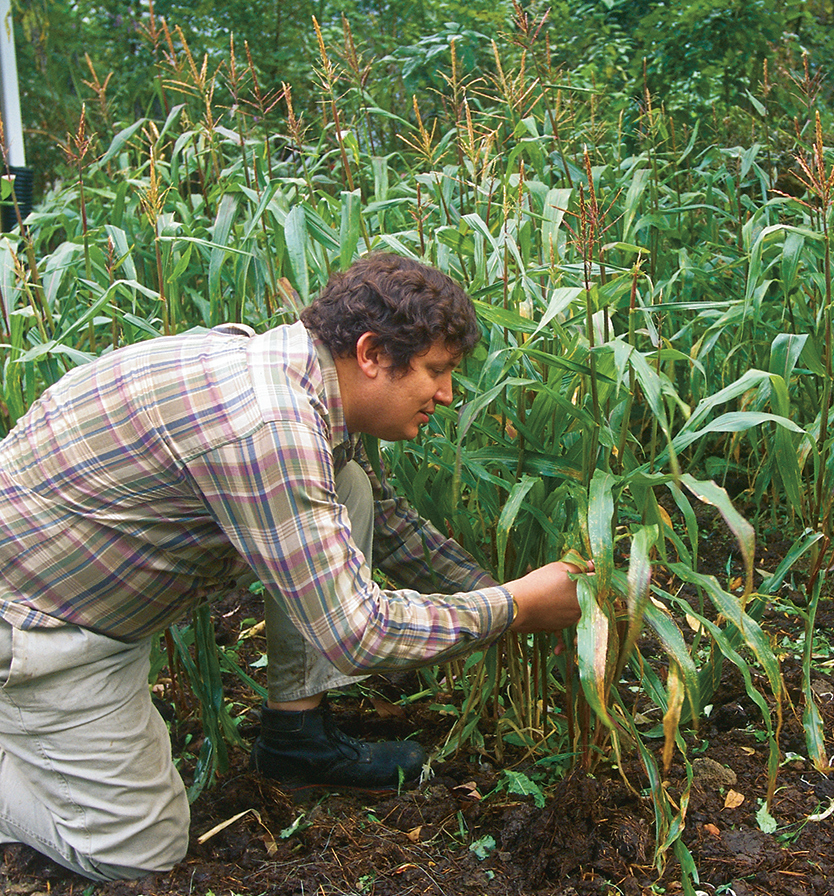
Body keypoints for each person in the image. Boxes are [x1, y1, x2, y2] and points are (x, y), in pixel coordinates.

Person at [0, 252, 584, 882]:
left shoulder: (304, 379)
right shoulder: (269, 423)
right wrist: (519, 606)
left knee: (349, 484)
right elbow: (358, 632)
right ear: (370, 354)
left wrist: (502, 591)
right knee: (139, 850)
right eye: (436, 371)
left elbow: (386, 524)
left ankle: (295, 738)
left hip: (86, 594)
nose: (445, 394)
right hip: (44, 631)